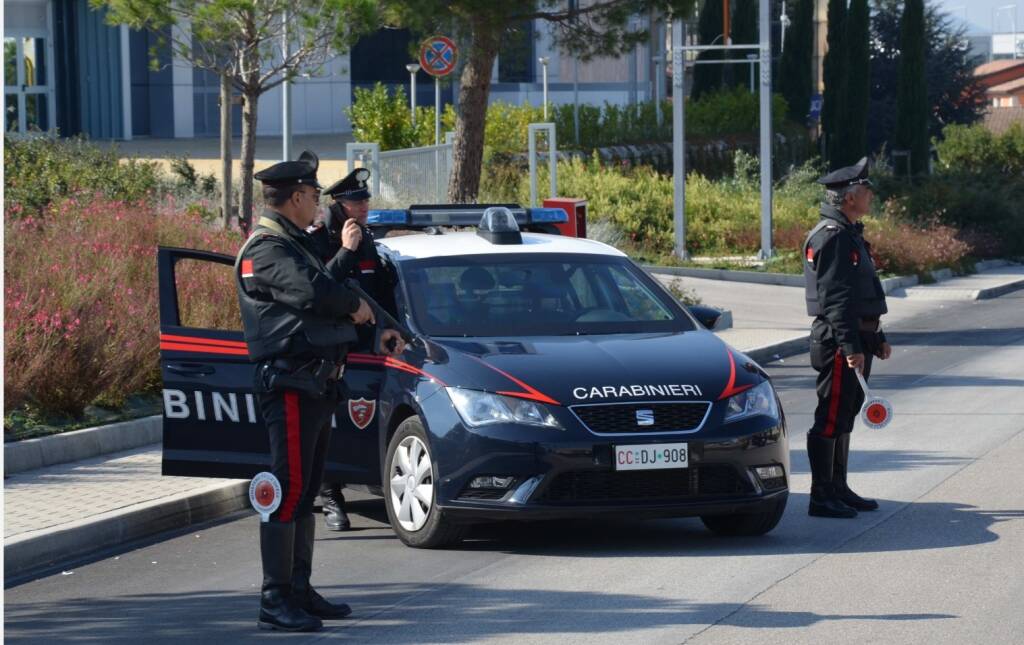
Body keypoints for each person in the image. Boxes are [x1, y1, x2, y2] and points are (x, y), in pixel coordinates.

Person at [236, 151, 405, 631]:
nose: (317, 202)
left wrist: (381, 325)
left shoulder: (296, 243)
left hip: (315, 381)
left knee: (306, 490)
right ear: (294, 197)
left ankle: (299, 588)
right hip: (289, 381)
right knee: (288, 491)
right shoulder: (267, 249)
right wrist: (356, 309)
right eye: (312, 194)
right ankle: (275, 598)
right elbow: (316, 295)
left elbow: (332, 283)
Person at [803, 157, 893, 519]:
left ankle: (838, 488)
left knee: (845, 415)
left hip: (858, 338)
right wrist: (852, 347)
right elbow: (835, 299)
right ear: (850, 197)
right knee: (830, 417)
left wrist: (877, 335)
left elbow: (860, 293)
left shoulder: (849, 233)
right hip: (841, 341)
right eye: (867, 190)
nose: (871, 195)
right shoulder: (834, 237)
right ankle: (821, 496)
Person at [308, 168, 398, 532]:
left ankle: (367, 477)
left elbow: (378, 286)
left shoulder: (368, 236)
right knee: (333, 420)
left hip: (370, 346)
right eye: (356, 202)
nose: (363, 207)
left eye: (365, 201)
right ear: (339, 204)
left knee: (364, 420)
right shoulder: (319, 239)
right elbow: (320, 288)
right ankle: (331, 496)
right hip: (334, 348)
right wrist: (346, 250)